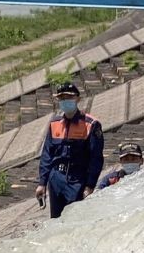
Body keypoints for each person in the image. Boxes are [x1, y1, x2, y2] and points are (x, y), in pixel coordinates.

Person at [35, 82, 105, 219]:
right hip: (56, 180)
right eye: (61, 98)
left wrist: (90, 186)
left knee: (74, 219)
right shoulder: (54, 124)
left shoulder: (91, 124)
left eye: (69, 97)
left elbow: (96, 158)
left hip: (77, 180)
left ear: (77, 99)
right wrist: (42, 183)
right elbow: (47, 155)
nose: (65, 101)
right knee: (56, 220)